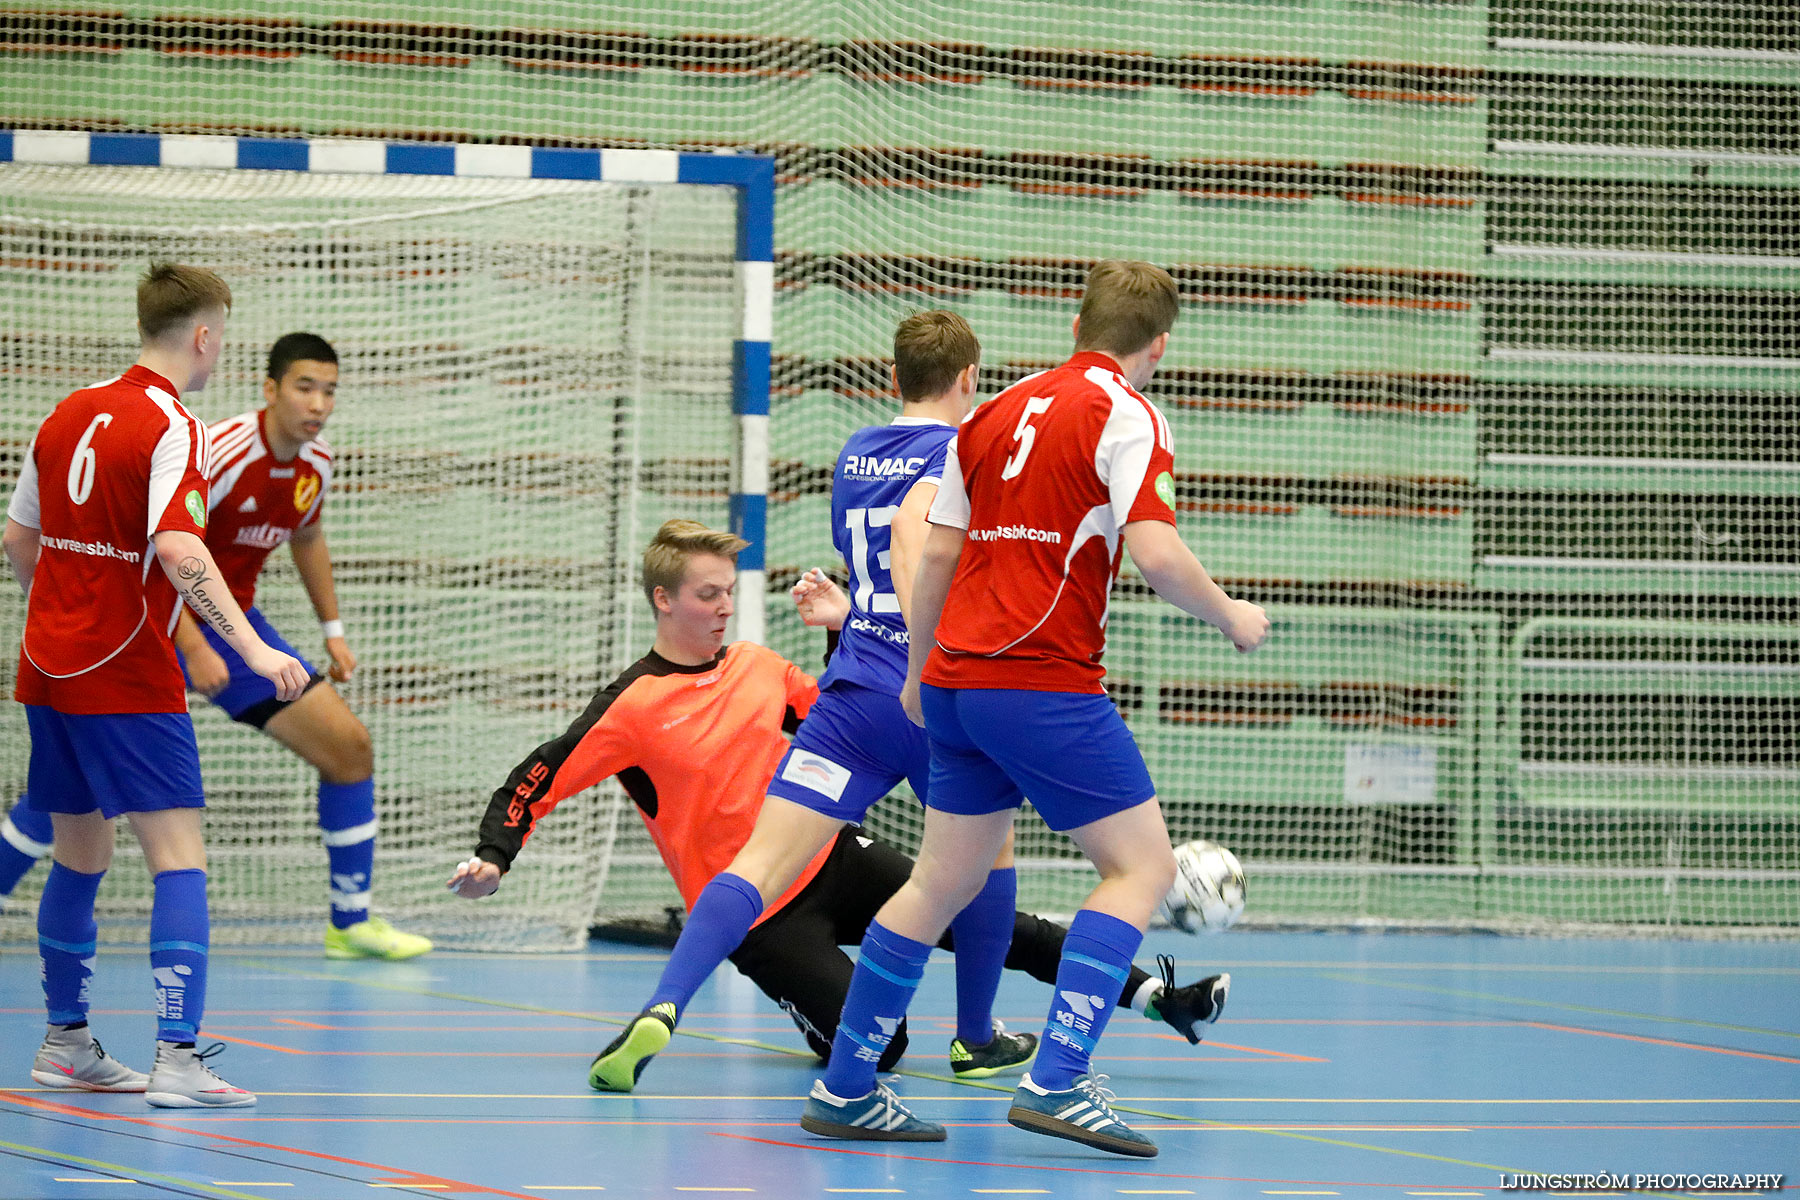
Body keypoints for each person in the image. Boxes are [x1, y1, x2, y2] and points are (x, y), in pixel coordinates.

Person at [447, 519, 1228, 1085]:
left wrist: (840, 627)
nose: (723, 607)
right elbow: (540, 773)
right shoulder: (633, 704)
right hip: (758, 912)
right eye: (707, 594)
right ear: (663, 600)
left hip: (835, 858)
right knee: (879, 1047)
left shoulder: (754, 664)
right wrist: (495, 853)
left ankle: (1159, 999)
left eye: (729, 593)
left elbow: (834, 714)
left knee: (995, 919)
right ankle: (788, 1014)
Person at [801, 261, 1271, 1157]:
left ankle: (848, 1086)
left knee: (940, 882)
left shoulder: (993, 410)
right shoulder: (1127, 412)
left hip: (952, 682)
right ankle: (1058, 1079)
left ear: (1076, 322)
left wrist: (918, 674)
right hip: (1040, 679)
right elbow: (1158, 553)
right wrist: (1232, 616)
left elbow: (937, 556)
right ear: (1158, 344)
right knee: (1139, 870)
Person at [585, 311, 1058, 1092]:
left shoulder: (856, 455)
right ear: (971, 380)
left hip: (854, 698)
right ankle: (975, 1038)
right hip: (936, 696)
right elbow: (938, 562)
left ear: (894, 379)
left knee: (759, 864)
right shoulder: (968, 454)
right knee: (983, 862)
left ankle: (663, 1006)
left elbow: (871, 566)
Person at [3, 263, 310, 1107]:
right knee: (179, 860)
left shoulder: (67, 411)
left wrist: (71, 606)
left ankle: (66, 1043)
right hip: (128, 671)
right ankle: (178, 1060)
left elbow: (19, 543)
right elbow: (179, 550)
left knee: (81, 853)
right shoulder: (175, 424)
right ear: (206, 336)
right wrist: (249, 648)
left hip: (47, 666)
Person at [169, 332, 428, 960]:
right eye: (304, 387)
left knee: (350, 750)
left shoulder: (317, 463)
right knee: (80, 784)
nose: (318, 404)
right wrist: (192, 646)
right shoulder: (222, 452)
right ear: (270, 389)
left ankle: (350, 923)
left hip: (236, 626)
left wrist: (333, 632)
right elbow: (160, 549)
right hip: (160, 619)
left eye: (329, 391)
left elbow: (306, 537)